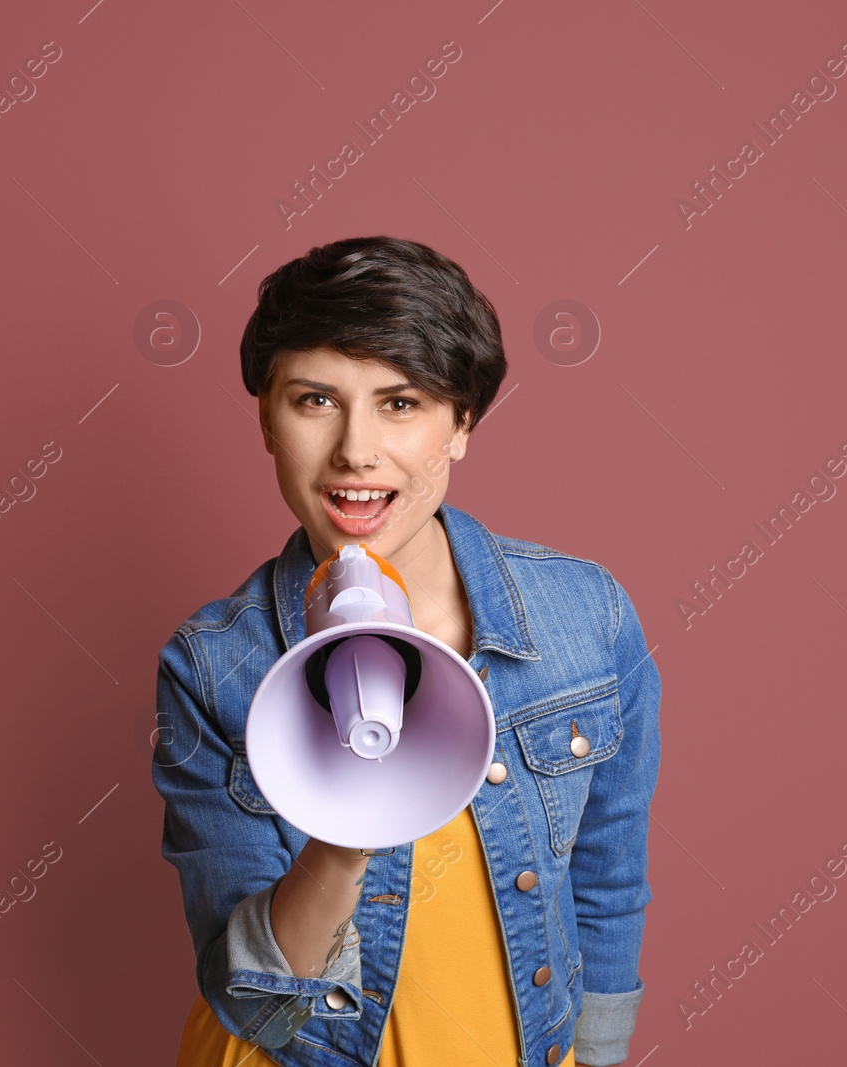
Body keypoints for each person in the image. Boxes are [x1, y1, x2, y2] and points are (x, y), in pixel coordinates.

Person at [151, 236, 661, 1066]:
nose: (357, 450)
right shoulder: (215, 666)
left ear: (461, 424)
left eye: (401, 403)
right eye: (315, 400)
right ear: (266, 419)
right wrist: (348, 825)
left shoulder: (586, 616)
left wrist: (598, 1057)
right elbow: (253, 997)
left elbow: (608, 877)